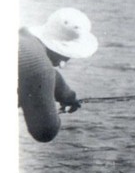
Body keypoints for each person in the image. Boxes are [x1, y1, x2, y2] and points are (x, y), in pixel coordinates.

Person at [18, 8, 99, 142]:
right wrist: (53, 113)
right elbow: (44, 132)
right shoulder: (41, 69)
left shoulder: (23, 38)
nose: (64, 63)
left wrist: (66, 94)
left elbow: (39, 70)